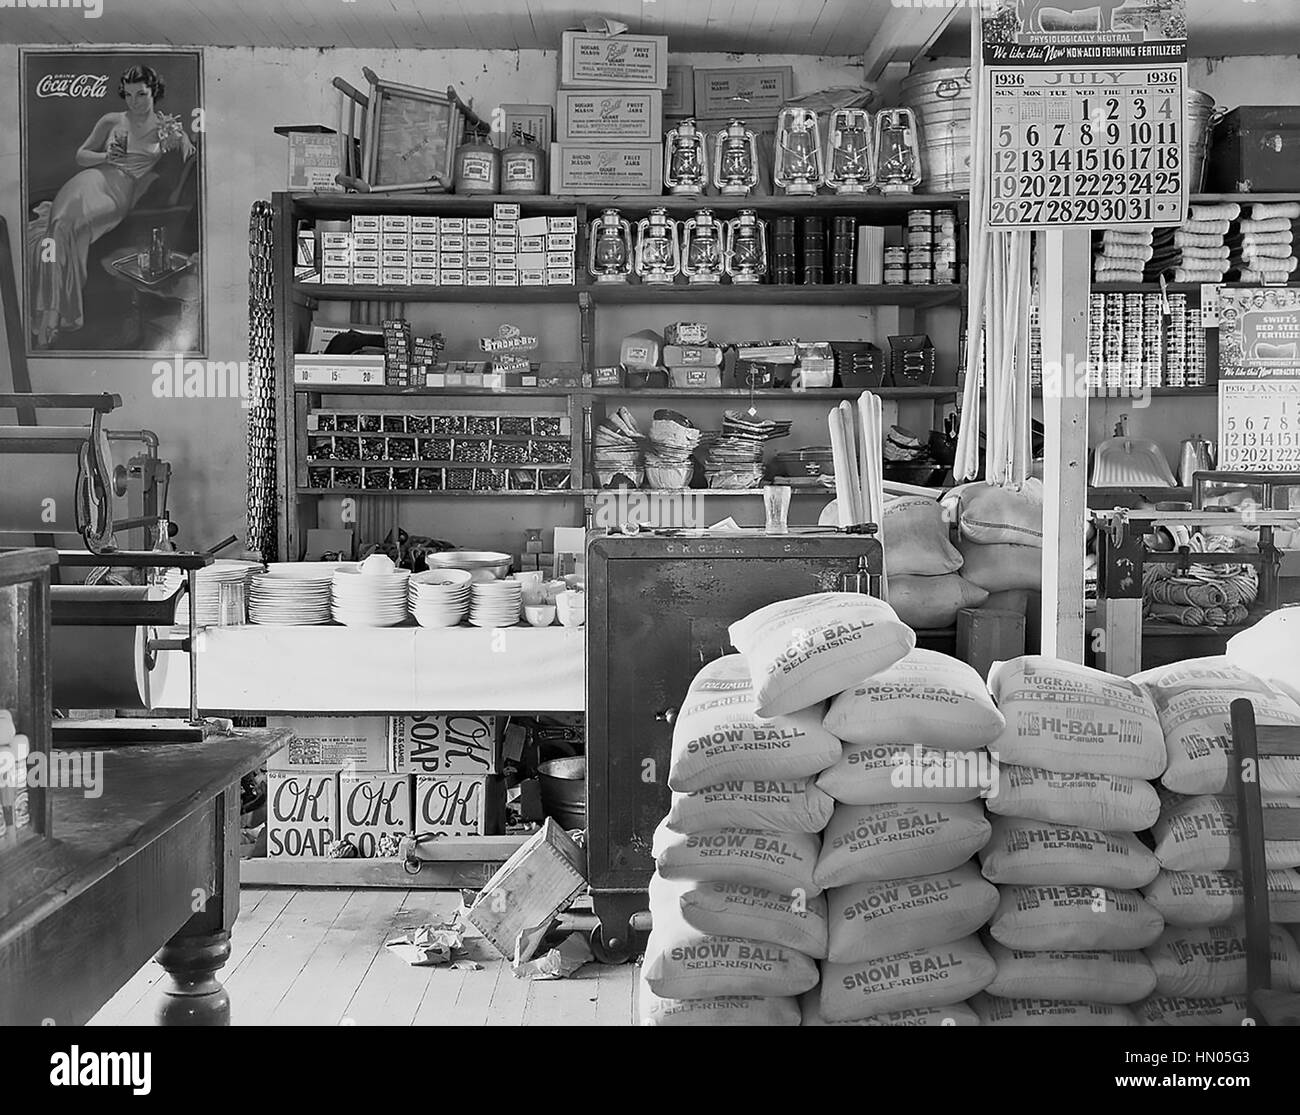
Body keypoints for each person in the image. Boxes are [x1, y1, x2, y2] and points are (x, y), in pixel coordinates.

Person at [28, 63, 195, 348]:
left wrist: (180, 141)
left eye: (141, 94)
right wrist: (106, 156)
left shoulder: (166, 128)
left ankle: (57, 311)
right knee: (59, 225)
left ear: (154, 91)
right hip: (91, 178)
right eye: (129, 95)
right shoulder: (111, 120)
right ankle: (52, 313)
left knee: (73, 228)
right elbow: (81, 155)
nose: (134, 102)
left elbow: (191, 154)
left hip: (119, 193)